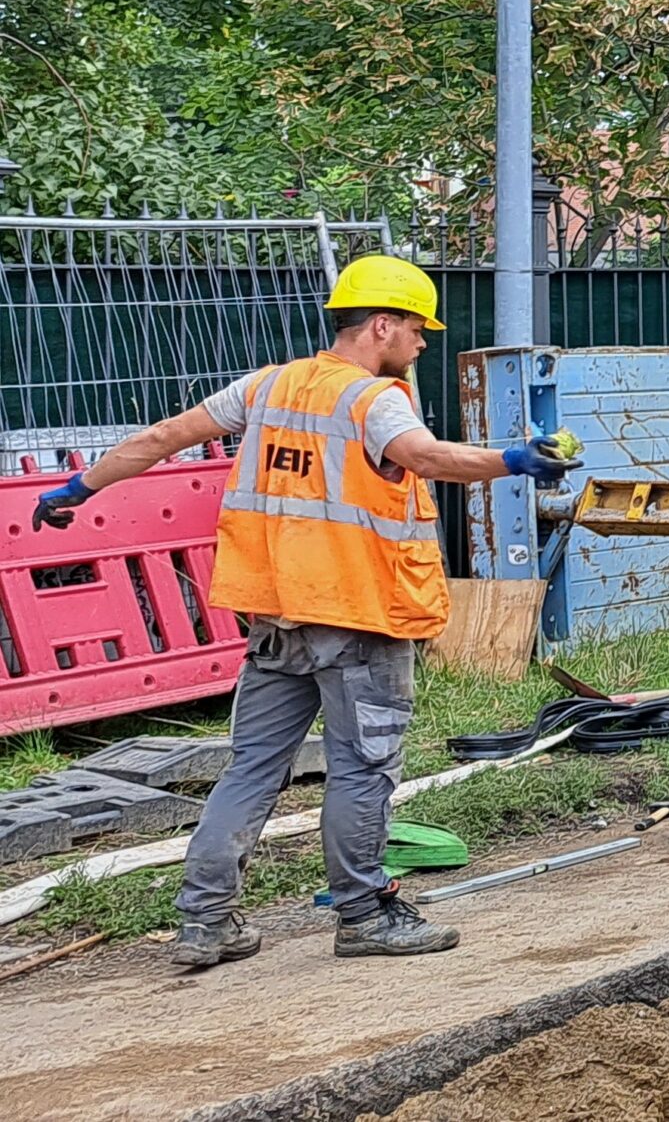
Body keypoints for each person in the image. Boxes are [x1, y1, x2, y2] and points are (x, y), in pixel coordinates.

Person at [32, 255, 574, 966]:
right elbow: (425, 458)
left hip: (276, 616)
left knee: (252, 766)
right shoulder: (373, 400)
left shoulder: (269, 386)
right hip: (357, 616)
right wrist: (513, 459)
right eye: (416, 328)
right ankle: (363, 914)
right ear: (382, 324)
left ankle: (206, 921)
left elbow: (161, 437)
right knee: (364, 766)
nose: (422, 342)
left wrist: (79, 486)